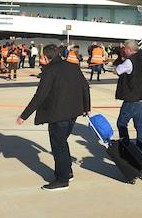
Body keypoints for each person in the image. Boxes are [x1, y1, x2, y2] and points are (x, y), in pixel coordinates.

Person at [17, 44, 91, 191]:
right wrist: (87, 108)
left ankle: (62, 180)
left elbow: (40, 96)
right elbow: (85, 87)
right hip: (73, 113)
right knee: (62, 143)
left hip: (58, 115)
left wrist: (24, 116)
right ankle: (67, 172)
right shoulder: (73, 66)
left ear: (45, 57)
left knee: (59, 147)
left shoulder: (49, 71)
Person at [114, 39, 142, 155]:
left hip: (133, 98)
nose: (123, 50)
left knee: (121, 123)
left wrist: (119, 62)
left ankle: (125, 147)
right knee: (139, 126)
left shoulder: (129, 62)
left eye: (124, 48)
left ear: (129, 49)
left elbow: (117, 71)